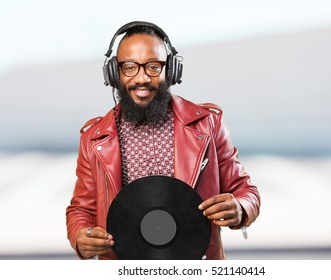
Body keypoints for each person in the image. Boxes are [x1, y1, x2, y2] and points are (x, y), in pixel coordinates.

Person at [66, 21, 260, 260]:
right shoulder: (94, 138)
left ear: (171, 70)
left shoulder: (209, 124)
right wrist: (80, 236)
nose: (142, 78)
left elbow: (245, 190)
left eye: (153, 67)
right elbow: (82, 209)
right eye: (129, 67)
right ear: (114, 73)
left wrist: (240, 209)